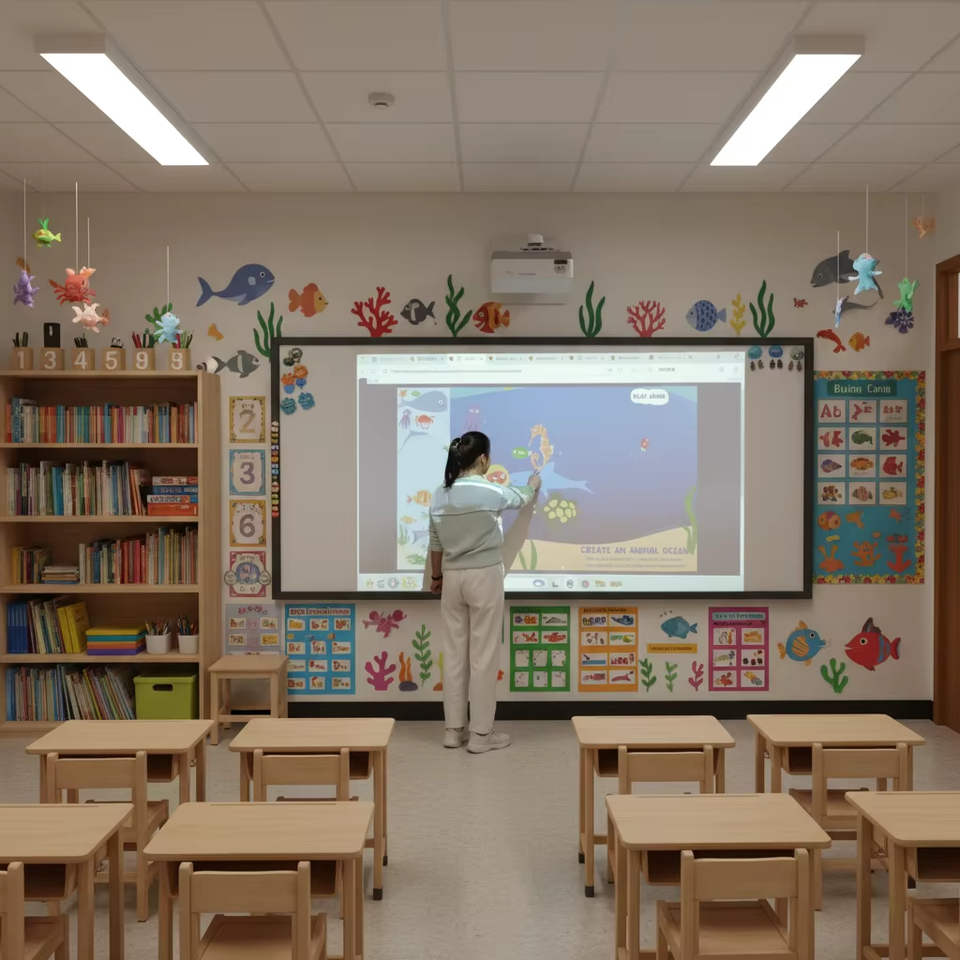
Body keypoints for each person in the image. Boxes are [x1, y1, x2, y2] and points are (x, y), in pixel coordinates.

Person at [428, 431, 540, 754]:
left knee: (453, 655)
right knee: (484, 656)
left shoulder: (439, 495)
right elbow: (520, 497)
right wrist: (533, 484)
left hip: (451, 578)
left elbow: (435, 542)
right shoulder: (490, 491)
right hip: (485, 576)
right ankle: (480, 735)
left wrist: (436, 577)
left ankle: (453, 731)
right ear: (482, 459)